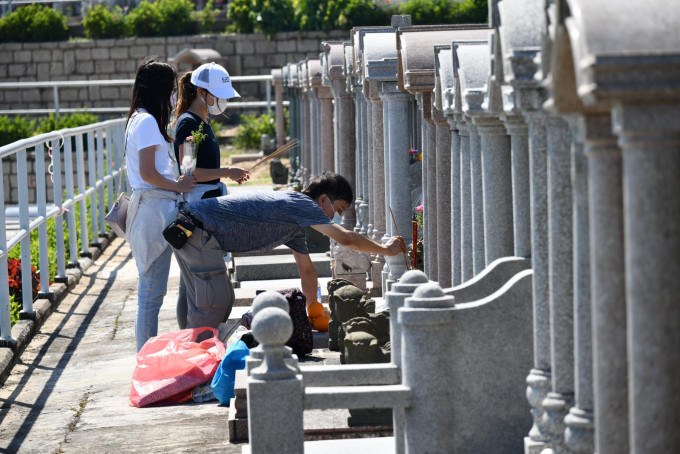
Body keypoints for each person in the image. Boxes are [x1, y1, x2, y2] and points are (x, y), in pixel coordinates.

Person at [168, 171, 407, 329]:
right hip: (195, 228)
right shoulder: (302, 204)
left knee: (211, 299)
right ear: (323, 199)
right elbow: (345, 239)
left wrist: (313, 312)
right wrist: (386, 250)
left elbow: (307, 271)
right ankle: (196, 365)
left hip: (193, 228)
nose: (335, 217)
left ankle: (193, 357)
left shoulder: (294, 222)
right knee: (214, 302)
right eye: (338, 209)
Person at [125, 57, 197, 351]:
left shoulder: (142, 119)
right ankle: (145, 363)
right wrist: (178, 185)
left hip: (155, 210)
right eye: (171, 88)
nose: (174, 96)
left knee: (152, 294)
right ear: (160, 89)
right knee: (151, 295)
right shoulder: (145, 122)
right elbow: (148, 173)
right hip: (153, 211)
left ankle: (148, 360)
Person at [171, 62, 250, 329]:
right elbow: (189, 173)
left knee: (189, 282)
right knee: (195, 282)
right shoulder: (188, 124)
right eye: (218, 94)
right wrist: (227, 171)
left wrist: (227, 173)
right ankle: (192, 339)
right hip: (198, 208)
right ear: (202, 92)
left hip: (207, 204)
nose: (222, 101)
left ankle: (189, 339)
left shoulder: (202, 121)